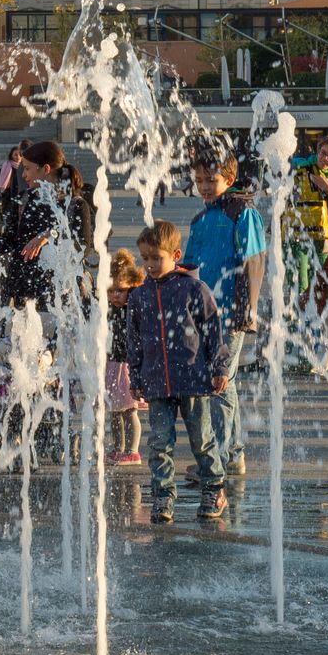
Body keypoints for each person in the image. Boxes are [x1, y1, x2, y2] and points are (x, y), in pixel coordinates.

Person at [124, 220, 231, 523]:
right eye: (145, 258)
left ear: (175, 254)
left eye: (157, 258)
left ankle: (213, 488)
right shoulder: (139, 296)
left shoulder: (194, 289)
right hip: (156, 381)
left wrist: (219, 366)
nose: (150, 265)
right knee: (160, 442)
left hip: (194, 379)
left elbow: (212, 331)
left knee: (202, 439)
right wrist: (136, 375)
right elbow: (133, 340)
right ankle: (162, 494)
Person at [182, 153, 265, 475]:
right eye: (199, 180)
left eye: (210, 180)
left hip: (232, 313)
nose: (204, 186)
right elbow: (188, 265)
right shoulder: (201, 219)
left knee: (219, 382)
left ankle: (221, 456)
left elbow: (254, 261)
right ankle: (231, 454)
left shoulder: (242, 213)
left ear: (229, 180)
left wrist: (246, 310)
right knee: (221, 383)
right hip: (204, 314)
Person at [0, 140, 91, 309]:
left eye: (27, 168)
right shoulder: (23, 200)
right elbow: (8, 240)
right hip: (22, 291)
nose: (23, 175)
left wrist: (50, 235)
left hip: (59, 294)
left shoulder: (74, 205)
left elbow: (83, 247)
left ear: (45, 169)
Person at [104, 248, 147, 468]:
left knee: (130, 411)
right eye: (111, 291)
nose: (115, 296)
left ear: (132, 286)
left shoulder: (135, 308)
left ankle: (133, 450)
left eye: (120, 291)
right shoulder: (108, 309)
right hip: (112, 364)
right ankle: (118, 448)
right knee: (114, 411)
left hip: (128, 366)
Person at [289, 133, 328, 254]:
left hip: (324, 242)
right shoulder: (300, 168)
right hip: (298, 237)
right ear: (318, 151)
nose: (325, 158)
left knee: (321, 273)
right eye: (323, 153)